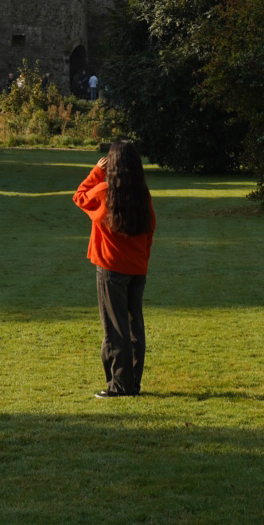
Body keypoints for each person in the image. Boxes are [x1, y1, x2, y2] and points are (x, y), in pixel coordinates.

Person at [72, 141, 155, 398]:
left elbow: (79, 196)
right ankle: (132, 382)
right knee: (133, 327)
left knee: (114, 329)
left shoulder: (105, 192)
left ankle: (119, 385)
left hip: (111, 268)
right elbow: (150, 229)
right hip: (137, 269)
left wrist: (97, 171)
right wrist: (142, 261)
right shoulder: (143, 195)